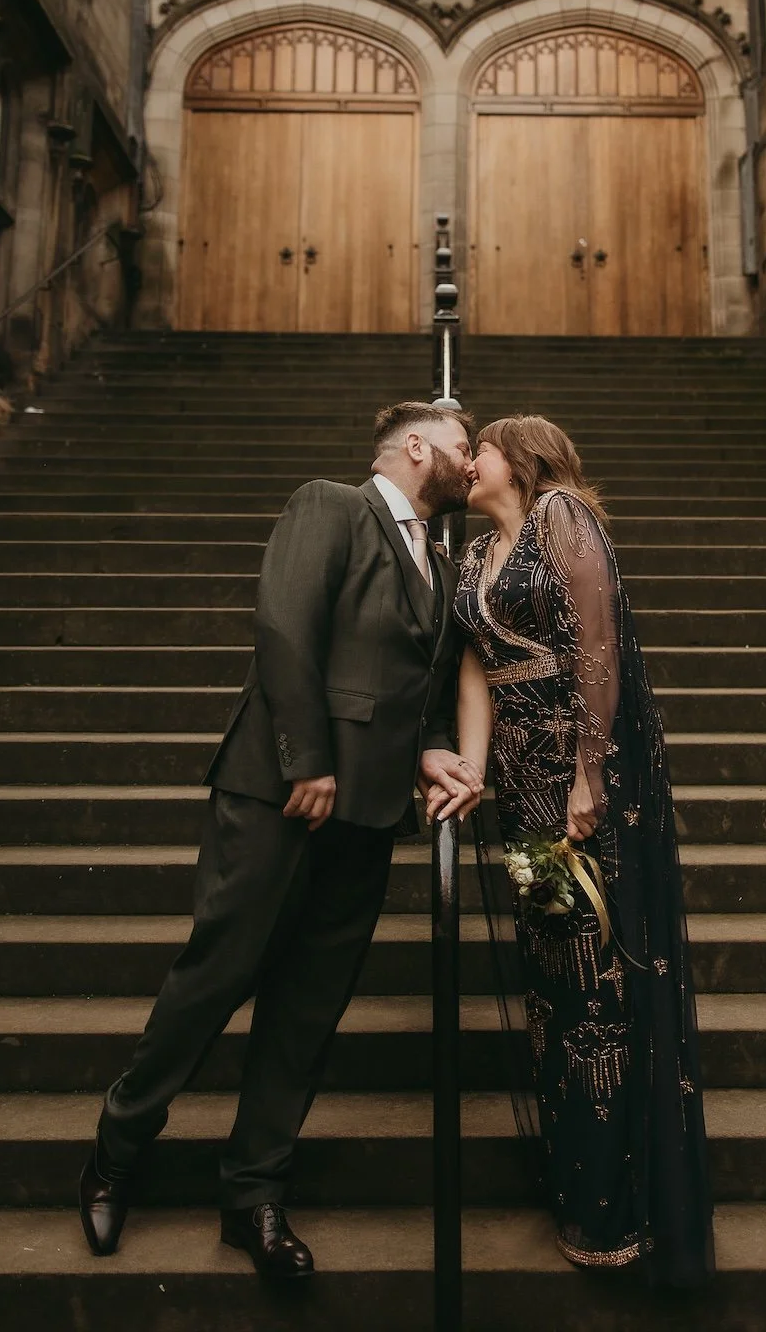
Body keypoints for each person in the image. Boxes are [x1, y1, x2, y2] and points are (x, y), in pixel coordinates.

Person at [79, 402, 483, 1278]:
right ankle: (120, 1144)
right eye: (462, 445)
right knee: (217, 976)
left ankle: (253, 1197)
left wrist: (434, 749)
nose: (472, 459)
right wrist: (307, 757)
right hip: (280, 795)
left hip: (371, 815)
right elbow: (284, 627)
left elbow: (425, 680)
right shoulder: (331, 506)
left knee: (306, 1014)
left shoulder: (442, 566)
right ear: (416, 446)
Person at [437, 414, 714, 1286]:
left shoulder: (563, 515)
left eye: (478, 447)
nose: (467, 460)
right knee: (556, 985)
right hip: (517, 780)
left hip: (580, 769)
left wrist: (590, 774)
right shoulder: (475, 557)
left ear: (516, 461)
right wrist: (473, 773)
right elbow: (474, 667)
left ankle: (619, 1209)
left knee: (601, 988)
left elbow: (596, 644)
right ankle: (577, 1185)